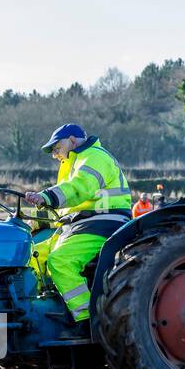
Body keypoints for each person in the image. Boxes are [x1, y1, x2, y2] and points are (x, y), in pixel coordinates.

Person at [23, 124, 131, 323]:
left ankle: (86, 320)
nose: (55, 154)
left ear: (72, 140)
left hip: (102, 223)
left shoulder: (94, 157)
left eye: (56, 148)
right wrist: (35, 222)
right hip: (80, 225)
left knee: (60, 261)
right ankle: (35, 312)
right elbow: (68, 207)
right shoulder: (73, 163)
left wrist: (46, 196)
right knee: (31, 257)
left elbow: (80, 188)